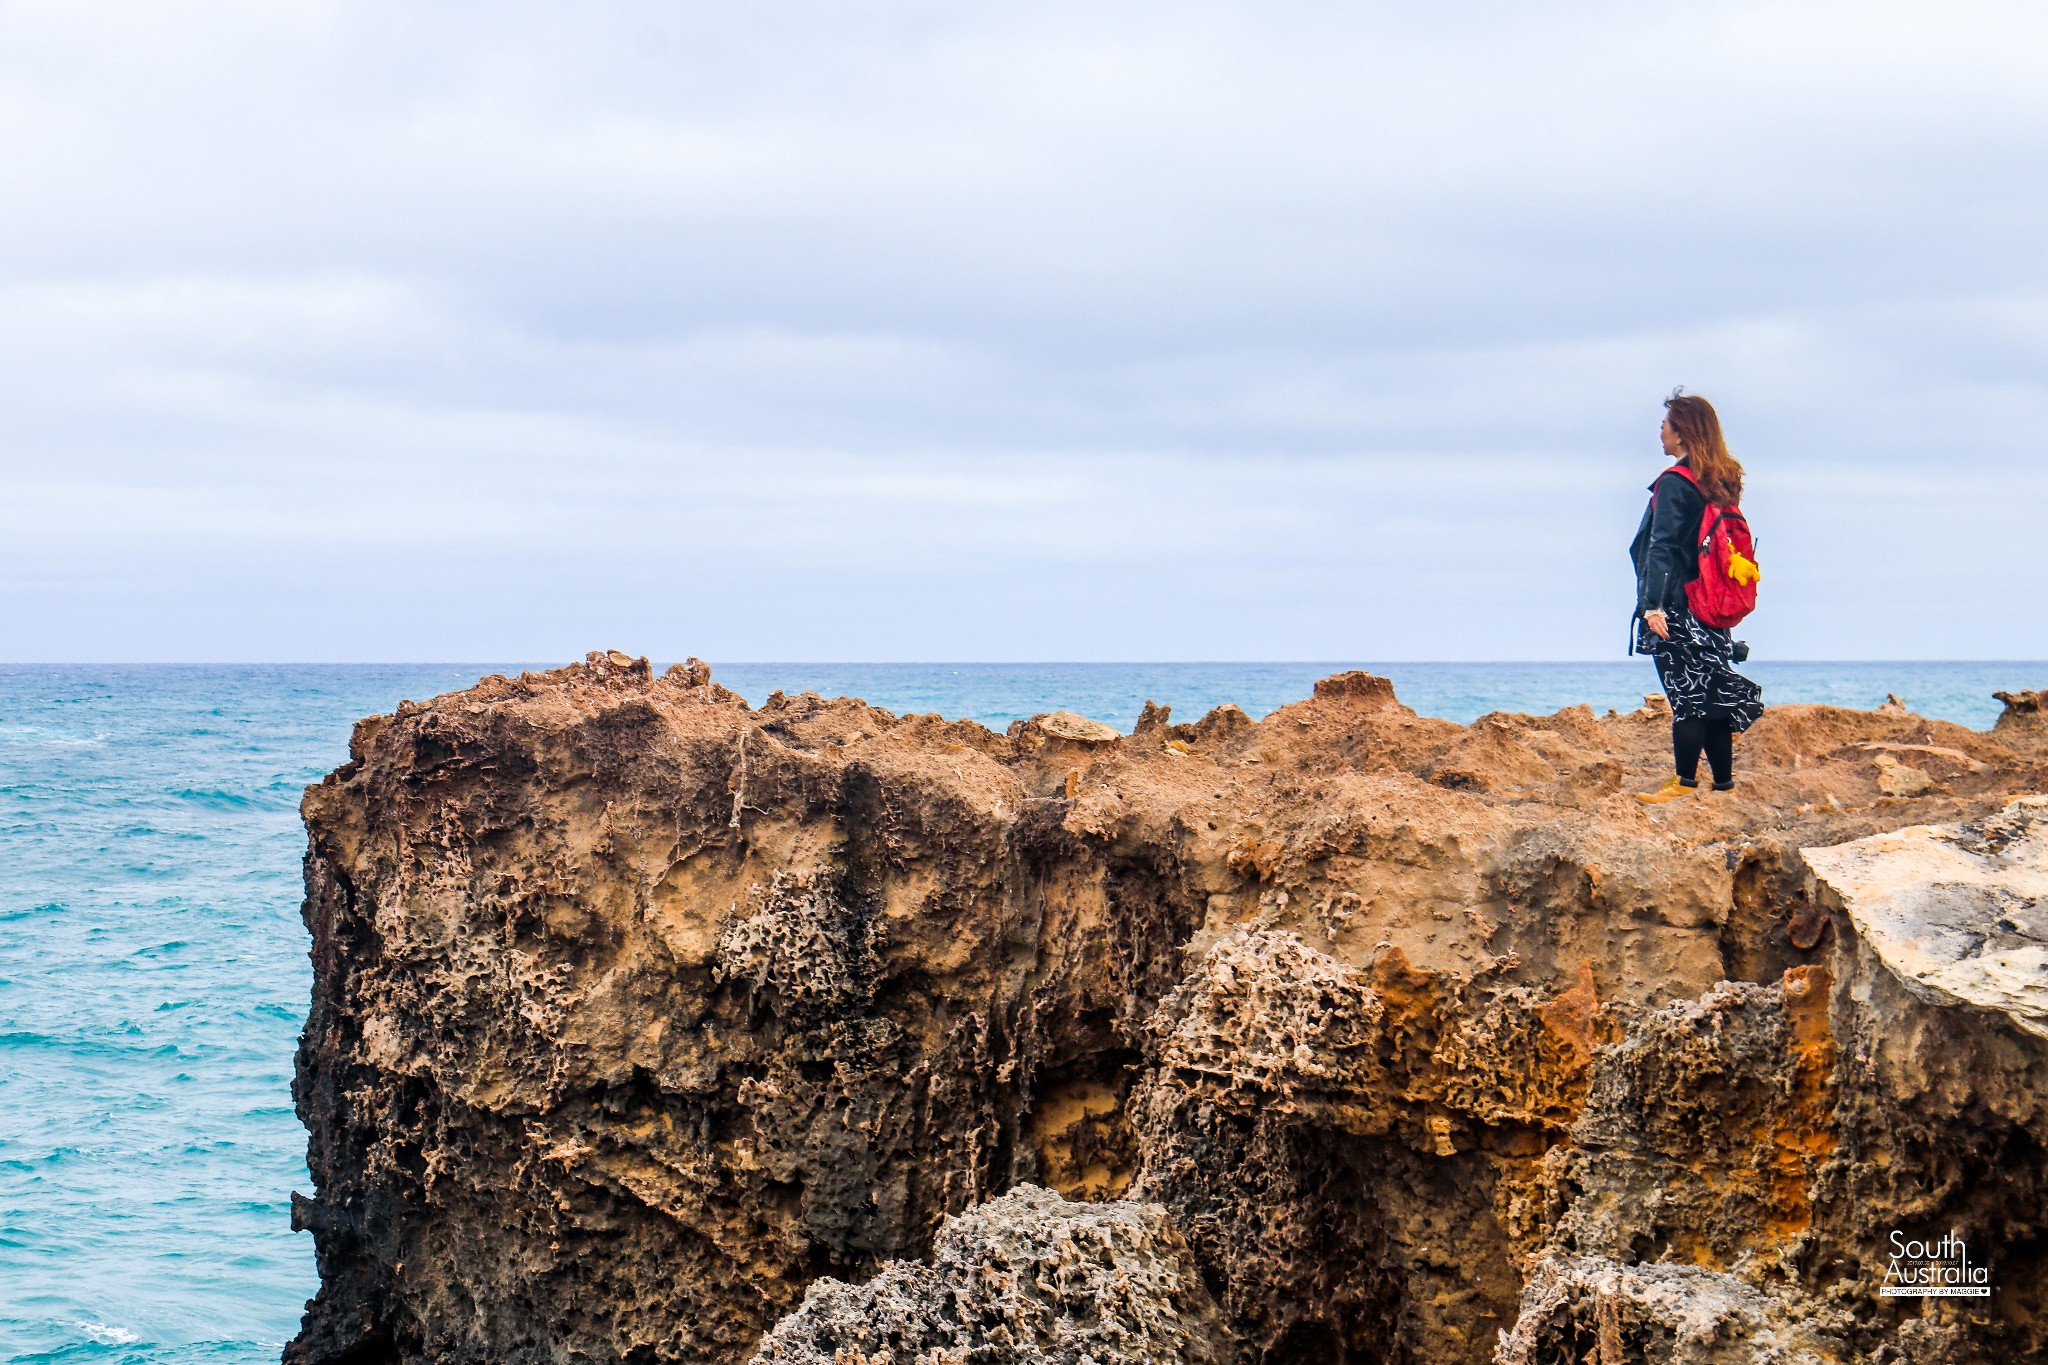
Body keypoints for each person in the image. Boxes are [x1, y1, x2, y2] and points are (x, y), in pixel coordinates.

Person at [1630, 390, 1763, 801]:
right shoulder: (1719, 481)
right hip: (1711, 606)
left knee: (1686, 697)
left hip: (1676, 607)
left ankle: (1684, 782)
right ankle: (1723, 784)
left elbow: (1662, 546)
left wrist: (1652, 606)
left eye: (1665, 425)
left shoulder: (1674, 483)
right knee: (1713, 693)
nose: (1660, 432)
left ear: (1682, 433)